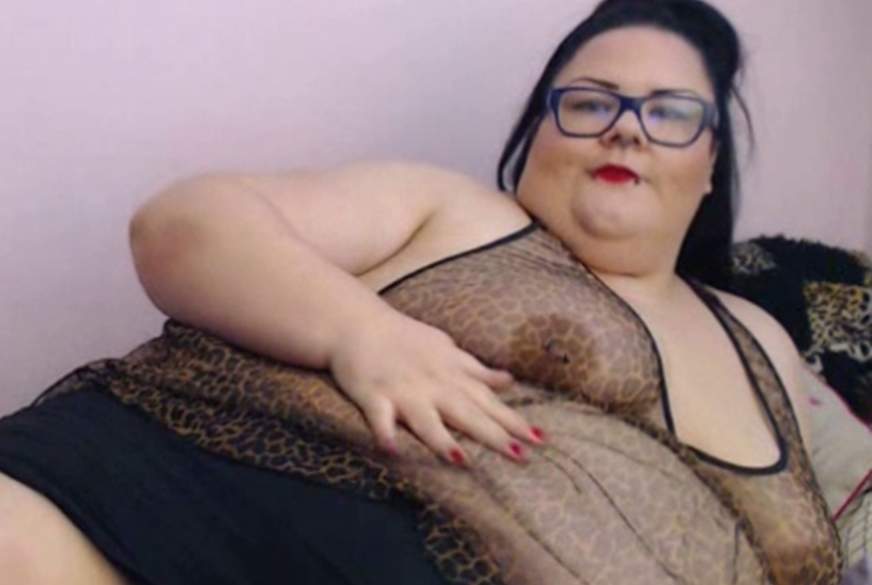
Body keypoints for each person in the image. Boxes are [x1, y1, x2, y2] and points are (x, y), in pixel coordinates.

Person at [0, 0, 845, 583]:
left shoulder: (762, 336)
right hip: (156, 521)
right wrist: (360, 332)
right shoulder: (457, 211)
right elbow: (182, 225)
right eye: (589, 104)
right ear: (537, 133)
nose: (626, 127)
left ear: (711, 164)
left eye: (670, 112)